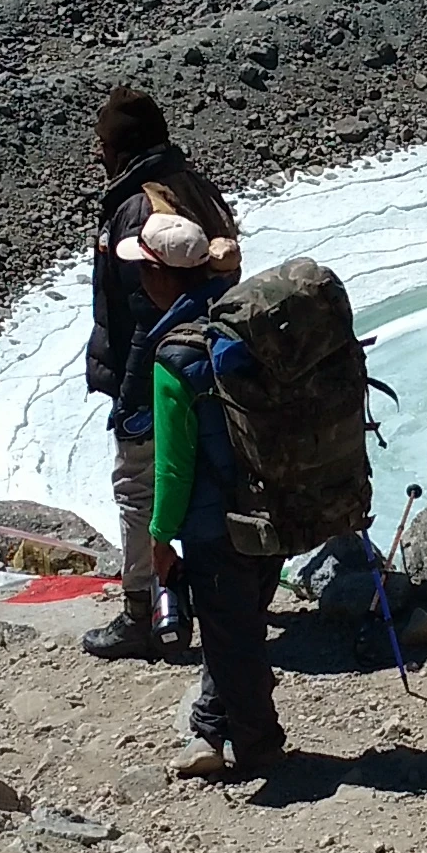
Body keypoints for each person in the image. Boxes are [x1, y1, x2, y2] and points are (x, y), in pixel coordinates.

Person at [79, 86, 239, 662]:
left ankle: (141, 616)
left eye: (102, 144)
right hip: (206, 367)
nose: (97, 155)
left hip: (159, 376)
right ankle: (206, 598)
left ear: (124, 146)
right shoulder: (184, 183)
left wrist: (129, 402)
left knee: (138, 493)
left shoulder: (138, 208)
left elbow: (147, 316)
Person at [136, 220, 285, 782]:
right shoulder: (246, 324)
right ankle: (209, 731)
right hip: (276, 506)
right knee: (238, 626)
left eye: (143, 268)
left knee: (232, 637)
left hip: (215, 524)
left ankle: (260, 748)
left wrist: (159, 535)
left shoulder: (175, 354)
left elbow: (173, 466)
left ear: (160, 275)